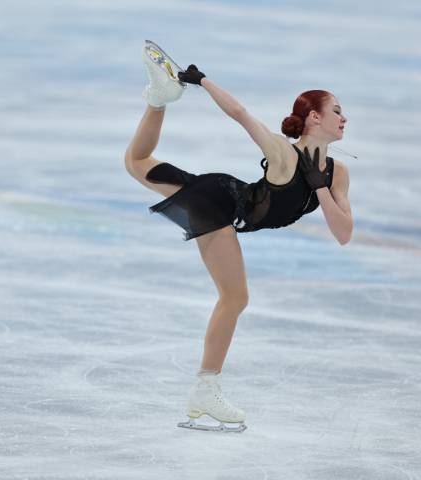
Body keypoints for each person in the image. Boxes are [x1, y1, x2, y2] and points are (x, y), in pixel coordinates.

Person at [124, 42, 353, 432]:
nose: (344, 118)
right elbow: (241, 114)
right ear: (314, 117)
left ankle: (158, 100)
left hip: (228, 206)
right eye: (337, 111)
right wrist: (202, 81)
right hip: (221, 202)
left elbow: (343, 233)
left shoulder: (338, 174)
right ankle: (205, 388)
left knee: (136, 163)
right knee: (235, 297)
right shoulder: (283, 154)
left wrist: (319, 188)